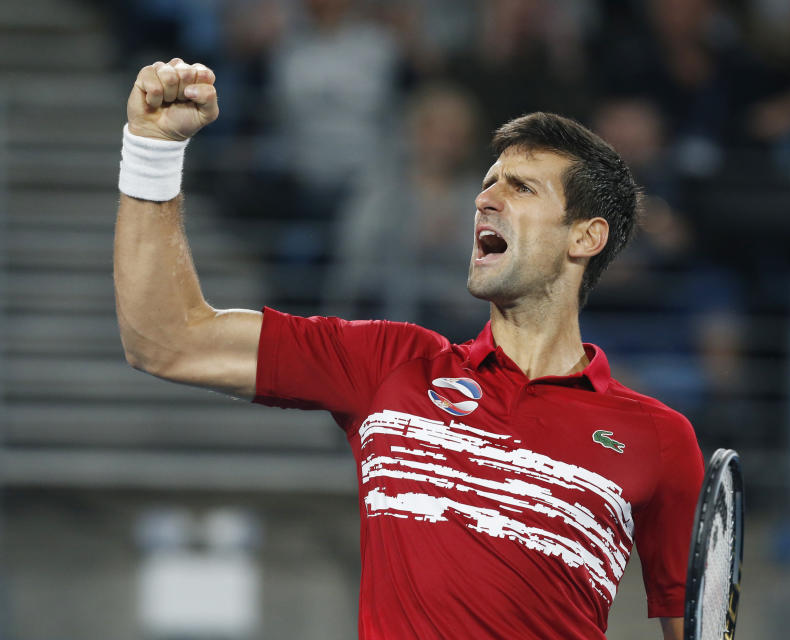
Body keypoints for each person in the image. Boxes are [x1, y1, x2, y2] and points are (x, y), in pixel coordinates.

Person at [114, 58, 705, 640]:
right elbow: (165, 338)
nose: (485, 200)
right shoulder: (390, 365)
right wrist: (152, 149)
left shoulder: (659, 439)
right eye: (486, 184)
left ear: (586, 236)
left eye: (520, 187)